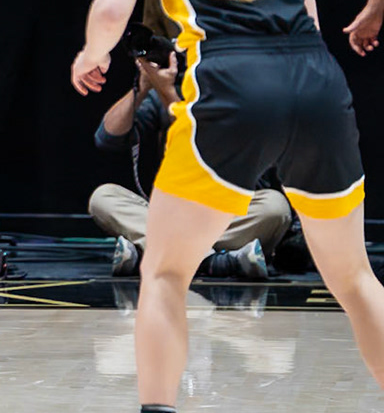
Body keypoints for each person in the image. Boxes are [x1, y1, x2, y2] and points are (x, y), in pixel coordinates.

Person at [70, 0, 384, 413]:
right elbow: (312, 17)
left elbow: (111, 6)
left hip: (232, 89)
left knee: (163, 275)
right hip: (318, 84)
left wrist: (91, 53)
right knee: (353, 279)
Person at [91, 44, 289, 280]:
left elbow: (202, 145)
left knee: (275, 207)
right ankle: (216, 260)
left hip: (229, 214)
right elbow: (107, 138)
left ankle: (154, 252)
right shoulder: (170, 93)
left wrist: (168, 94)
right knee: (103, 198)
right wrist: (142, 89)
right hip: (173, 213)